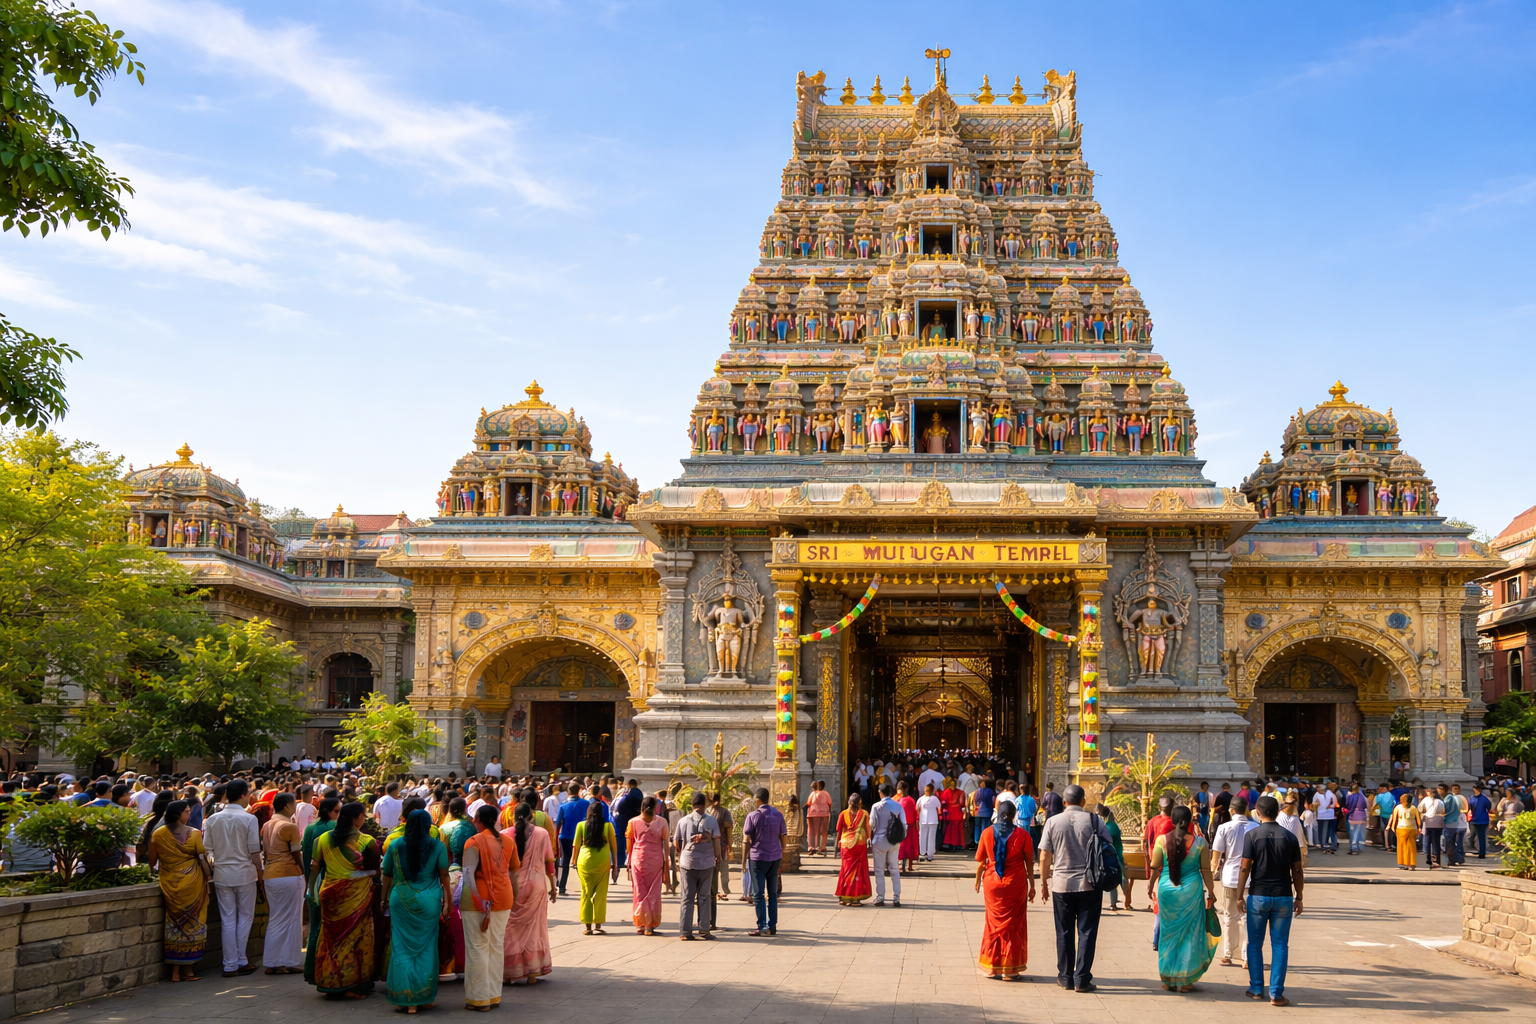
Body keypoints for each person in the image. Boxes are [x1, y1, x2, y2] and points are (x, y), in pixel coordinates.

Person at [1038, 784, 1111, 993]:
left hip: (1061, 885)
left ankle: (1065, 977)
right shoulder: (1095, 821)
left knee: (1064, 931)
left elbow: (1044, 856)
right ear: (1083, 801)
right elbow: (1108, 846)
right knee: (1087, 932)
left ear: (1064, 802)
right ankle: (1082, 978)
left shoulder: (1052, 821)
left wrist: (1044, 883)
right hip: (1090, 884)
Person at [381, 809, 450, 1013]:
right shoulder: (437, 846)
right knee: (427, 948)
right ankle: (422, 997)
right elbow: (444, 875)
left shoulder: (395, 845)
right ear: (429, 826)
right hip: (428, 901)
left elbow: (386, 874)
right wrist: (447, 901)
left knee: (401, 948)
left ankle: (405, 997)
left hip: (401, 899)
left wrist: (382, 899)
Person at [1238, 796, 1304, 1006]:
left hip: (1258, 895)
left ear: (1257, 812)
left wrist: (1239, 895)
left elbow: (1245, 867)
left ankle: (1257, 988)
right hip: (1283, 896)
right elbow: (1297, 870)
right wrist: (1299, 896)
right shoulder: (1290, 837)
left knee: (1255, 943)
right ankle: (1276, 993)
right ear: (1278, 813)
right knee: (1280, 945)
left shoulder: (1252, 835)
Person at [309, 802, 380, 999]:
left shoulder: (322, 839)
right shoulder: (367, 842)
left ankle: (329, 980)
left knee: (331, 940)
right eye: (363, 815)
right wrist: (355, 875)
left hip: (329, 893)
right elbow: (375, 871)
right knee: (354, 938)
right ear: (357, 818)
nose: (364, 818)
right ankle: (350, 984)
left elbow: (314, 867)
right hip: (355, 895)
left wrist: (311, 890)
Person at [1150, 806, 1218, 991]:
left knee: (1168, 934)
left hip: (1167, 891)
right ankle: (1185, 980)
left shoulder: (1161, 840)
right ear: (1190, 822)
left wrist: (1150, 885)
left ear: (1172, 820)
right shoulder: (1200, 843)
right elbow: (1206, 870)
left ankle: (1168, 978)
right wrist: (1211, 892)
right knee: (1190, 935)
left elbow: (1155, 865)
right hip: (1191, 892)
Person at [460, 804, 518, 1011]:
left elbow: (468, 875)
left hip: (478, 900)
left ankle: (479, 998)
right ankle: (493, 996)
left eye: (475, 818)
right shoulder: (508, 841)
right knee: (495, 946)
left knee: (477, 947)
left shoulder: (473, 842)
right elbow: (513, 871)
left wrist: (479, 901)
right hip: (503, 897)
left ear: (479, 820)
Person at [203, 778, 263, 979]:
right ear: (244, 795)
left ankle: (232, 963)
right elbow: (254, 852)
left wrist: (214, 867)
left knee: (228, 920)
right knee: (245, 917)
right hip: (244, 873)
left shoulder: (213, 819)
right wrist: (260, 871)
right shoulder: (249, 819)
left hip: (222, 874)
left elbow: (207, 850)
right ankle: (240, 960)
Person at [147, 800, 210, 982]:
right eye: (187, 812)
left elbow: (152, 861)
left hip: (170, 883)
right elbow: (202, 856)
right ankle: (187, 971)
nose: (189, 815)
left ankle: (176, 971)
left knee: (175, 924)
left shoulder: (158, 834)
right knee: (193, 924)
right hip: (193, 883)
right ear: (178, 813)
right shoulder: (194, 833)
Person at [973, 800, 1034, 981]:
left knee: (992, 924)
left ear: (998, 814)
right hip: (1016, 884)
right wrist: (1032, 885)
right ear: (1014, 815)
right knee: (1013, 925)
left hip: (993, 883)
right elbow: (1029, 862)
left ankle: (992, 967)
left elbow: (980, 858)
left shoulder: (986, 832)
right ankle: (1010, 970)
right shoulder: (1023, 835)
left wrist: (978, 879)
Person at [502, 801, 556, 984]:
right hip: (536, 885)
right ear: (532, 815)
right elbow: (549, 863)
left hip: (512, 885)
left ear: (512, 816)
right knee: (535, 929)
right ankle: (532, 972)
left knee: (510, 929)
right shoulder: (542, 833)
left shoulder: (504, 834)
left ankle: (510, 972)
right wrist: (553, 886)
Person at [260, 792, 306, 975]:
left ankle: (280, 961)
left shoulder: (267, 825)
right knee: (290, 919)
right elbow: (296, 854)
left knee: (278, 918)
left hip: (271, 875)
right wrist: (305, 872)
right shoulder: (289, 826)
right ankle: (280, 961)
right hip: (288, 875)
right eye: (293, 804)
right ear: (287, 806)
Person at [301, 797, 341, 984]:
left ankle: (311, 970)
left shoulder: (310, 829)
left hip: (314, 882)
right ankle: (326, 970)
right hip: (330, 881)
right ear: (328, 811)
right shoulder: (335, 827)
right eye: (337, 811)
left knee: (314, 928)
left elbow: (306, 858)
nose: (339, 815)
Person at [1210, 795, 1252, 966]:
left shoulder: (1224, 828)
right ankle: (1246, 956)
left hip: (1229, 877)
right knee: (1247, 918)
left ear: (1231, 810)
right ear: (1246, 810)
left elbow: (1216, 856)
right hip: (1249, 878)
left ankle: (1227, 952)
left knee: (1229, 916)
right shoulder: (1255, 827)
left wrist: (1211, 875)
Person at [673, 792, 719, 940]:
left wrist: (681, 855)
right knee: (704, 896)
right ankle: (704, 929)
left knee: (687, 898)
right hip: (706, 863)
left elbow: (677, 842)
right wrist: (717, 857)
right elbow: (716, 841)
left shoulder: (683, 821)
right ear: (704, 804)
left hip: (687, 863)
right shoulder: (711, 821)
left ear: (692, 805)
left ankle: (685, 932)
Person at [743, 787, 788, 934]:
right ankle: (772, 925)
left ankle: (761, 925)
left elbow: (746, 839)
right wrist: (780, 853)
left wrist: (743, 862)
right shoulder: (778, 814)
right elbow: (784, 838)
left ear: (757, 799)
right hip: (775, 857)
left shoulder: (752, 816)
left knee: (759, 894)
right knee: (773, 893)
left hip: (758, 858)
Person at [627, 794, 671, 936]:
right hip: (656, 861)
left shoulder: (632, 822)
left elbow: (629, 846)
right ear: (655, 808)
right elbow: (666, 844)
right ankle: (649, 926)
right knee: (653, 892)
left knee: (639, 891)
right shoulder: (662, 822)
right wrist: (666, 863)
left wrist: (629, 862)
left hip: (638, 860)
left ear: (642, 807)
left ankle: (640, 923)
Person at [573, 799, 615, 935]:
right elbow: (614, 848)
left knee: (586, 893)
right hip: (602, 862)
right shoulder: (608, 827)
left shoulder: (581, 826)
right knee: (601, 894)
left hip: (585, 862)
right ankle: (598, 924)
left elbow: (576, 845)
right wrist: (615, 865)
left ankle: (587, 926)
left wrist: (573, 861)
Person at [868, 782, 905, 908]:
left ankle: (880, 896)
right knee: (894, 869)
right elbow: (904, 825)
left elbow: (872, 824)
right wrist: (899, 839)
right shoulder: (898, 806)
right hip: (894, 842)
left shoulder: (876, 806)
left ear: (880, 793)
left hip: (879, 841)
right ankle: (896, 897)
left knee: (879, 870)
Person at [835, 793, 872, 905]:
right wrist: (869, 840)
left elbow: (839, 830)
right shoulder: (864, 814)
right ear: (860, 803)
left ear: (849, 802)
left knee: (846, 869)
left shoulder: (843, 813)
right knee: (858, 871)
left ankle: (845, 897)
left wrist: (837, 844)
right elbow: (868, 828)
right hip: (859, 844)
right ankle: (855, 898)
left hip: (846, 845)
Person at [554, 781, 589, 896]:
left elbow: (558, 823)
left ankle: (562, 887)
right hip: (581, 836)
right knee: (581, 862)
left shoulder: (563, 805)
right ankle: (586, 886)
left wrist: (555, 838)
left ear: (568, 792)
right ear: (579, 791)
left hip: (565, 836)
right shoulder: (586, 803)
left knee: (565, 862)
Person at [1097, 804, 1132, 912]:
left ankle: (1115, 903)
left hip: (1111, 855)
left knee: (1115, 878)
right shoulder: (1113, 825)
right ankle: (1126, 902)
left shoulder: (1107, 827)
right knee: (1121, 878)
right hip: (1118, 853)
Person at [610, 778, 643, 880]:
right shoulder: (640, 795)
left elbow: (620, 809)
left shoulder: (627, 796)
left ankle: (621, 865)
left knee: (625, 845)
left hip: (626, 823)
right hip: (638, 822)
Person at [1388, 793, 1422, 870]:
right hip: (1412, 829)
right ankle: (1412, 863)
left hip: (1401, 829)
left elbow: (1394, 819)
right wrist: (1419, 828)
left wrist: (1393, 828)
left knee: (1401, 846)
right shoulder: (1414, 808)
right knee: (1411, 846)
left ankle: (1402, 863)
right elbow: (1418, 820)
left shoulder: (1398, 807)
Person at [1418, 786, 1446, 868]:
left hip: (1428, 821)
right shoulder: (1440, 801)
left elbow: (1420, 809)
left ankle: (1429, 859)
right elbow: (1443, 811)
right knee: (1436, 841)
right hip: (1439, 822)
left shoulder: (1425, 800)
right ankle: (1438, 860)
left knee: (1428, 840)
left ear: (1429, 793)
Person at [896, 780, 920, 871]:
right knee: (906, 847)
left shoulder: (900, 800)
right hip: (906, 827)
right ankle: (907, 865)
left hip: (907, 827)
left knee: (906, 847)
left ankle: (908, 866)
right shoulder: (909, 800)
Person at [806, 780, 833, 856]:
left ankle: (812, 847)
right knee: (823, 831)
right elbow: (830, 803)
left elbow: (808, 803)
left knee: (814, 831)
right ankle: (822, 847)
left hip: (813, 814)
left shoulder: (813, 794)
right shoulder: (826, 794)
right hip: (824, 814)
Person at [917, 783, 942, 863]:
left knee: (931, 837)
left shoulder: (935, 799)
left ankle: (930, 854)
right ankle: (922, 853)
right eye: (926, 790)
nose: (926, 791)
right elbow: (917, 808)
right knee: (922, 836)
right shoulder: (921, 799)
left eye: (928, 790)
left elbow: (939, 807)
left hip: (933, 820)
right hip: (923, 820)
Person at [1468, 784, 1494, 859]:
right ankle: (1476, 849)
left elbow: (1488, 807)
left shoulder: (1481, 799)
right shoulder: (1473, 798)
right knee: (1473, 836)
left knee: (1481, 837)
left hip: (1481, 820)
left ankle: (1482, 853)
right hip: (1475, 820)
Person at [1342, 783, 1368, 855]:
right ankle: (1360, 846)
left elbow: (1348, 805)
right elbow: (1365, 806)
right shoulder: (1362, 796)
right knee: (1359, 831)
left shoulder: (1350, 796)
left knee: (1353, 832)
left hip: (1353, 816)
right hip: (1362, 816)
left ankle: (1354, 848)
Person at [970, 776, 995, 849]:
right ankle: (983, 842)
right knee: (984, 827)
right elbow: (993, 801)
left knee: (977, 826)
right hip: (987, 812)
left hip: (977, 812)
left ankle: (976, 842)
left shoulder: (975, 792)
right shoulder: (990, 791)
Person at [940, 778, 966, 851]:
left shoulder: (946, 792)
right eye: (951, 785)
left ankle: (953, 844)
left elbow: (943, 803)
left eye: (953, 785)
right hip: (953, 813)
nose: (952, 786)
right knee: (954, 830)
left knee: (952, 830)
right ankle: (954, 845)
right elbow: (961, 803)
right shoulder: (959, 792)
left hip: (953, 813)